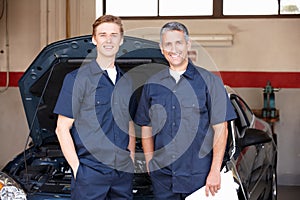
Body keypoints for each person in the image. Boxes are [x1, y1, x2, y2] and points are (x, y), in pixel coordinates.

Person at [134, 21, 236, 199]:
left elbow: (221, 128)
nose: (174, 49)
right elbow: (146, 125)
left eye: (179, 42)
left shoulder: (209, 82)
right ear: (161, 48)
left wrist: (214, 171)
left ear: (188, 44)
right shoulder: (152, 84)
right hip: (163, 179)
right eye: (168, 44)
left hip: (200, 177)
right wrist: (150, 160)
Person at [54, 15, 135, 200]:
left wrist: (130, 157)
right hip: (90, 172)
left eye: (114, 35)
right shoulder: (77, 79)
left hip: (122, 173)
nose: (109, 40)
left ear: (121, 40)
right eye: (103, 34)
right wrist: (77, 170)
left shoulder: (127, 81)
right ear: (94, 39)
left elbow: (128, 122)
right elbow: (62, 128)